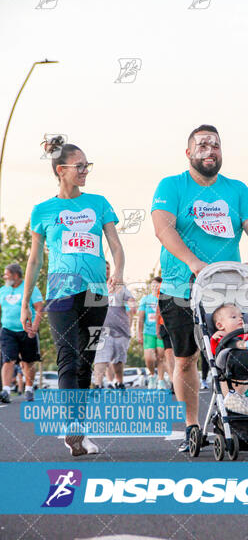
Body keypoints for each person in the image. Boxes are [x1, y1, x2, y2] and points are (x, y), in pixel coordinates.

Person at [152, 124, 248, 451]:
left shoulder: (237, 189)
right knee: (185, 360)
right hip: (181, 286)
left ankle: (237, 416)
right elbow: (163, 228)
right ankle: (192, 426)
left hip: (224, 290)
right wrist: (192, 262)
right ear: (189, 153)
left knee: (234, 351)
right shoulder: (172, 186)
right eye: (202, 145)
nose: (209, 150)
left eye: (215, 145)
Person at [21, 137, 124, 456]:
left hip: (96, 295)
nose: (85, 171)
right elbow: (35, 259)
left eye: (86, 166)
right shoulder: (43, 210)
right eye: (79, 167)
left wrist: (118, 271)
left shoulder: (99, 202)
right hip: (60, 293)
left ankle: (80, 427)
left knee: (86, 360)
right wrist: (26, 301)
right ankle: (72, 427)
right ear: (60, 170)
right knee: (68, 355)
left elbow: (116, 246)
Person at [0, 263, 44, 403]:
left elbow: (39, 309)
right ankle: (6, 391)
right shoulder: (3, 291)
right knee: (8, 360)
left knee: (28, 362)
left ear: (16, 275)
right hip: (7, 330)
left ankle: (29, 389)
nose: (5, 277)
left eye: (7, 274)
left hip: (27, 330)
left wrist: (35, 327)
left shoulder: (30, 288)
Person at [93, 261, 136, 389]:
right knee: (100, 358)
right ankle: (97, 384)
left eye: (107, 268)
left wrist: (132, 304)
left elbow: (130, 298)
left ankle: (119, 382)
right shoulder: (94, 287)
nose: (105, 270)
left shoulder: (118, 286)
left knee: (118, 360)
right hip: (100, 329)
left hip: (120, 329)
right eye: (103, 268)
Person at [138, 276, 167, 389]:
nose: (155, 286)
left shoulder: (163, 299)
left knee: (161, 356)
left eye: (158, 284)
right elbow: (140, 318)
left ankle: (160, 380)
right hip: (148, 332)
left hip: (160, 331)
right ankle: (152, 375)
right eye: (153, 284)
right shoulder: (145, 299)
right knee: (149, 358)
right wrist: (139, 333)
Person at [155, 281, 175, 389]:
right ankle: (173, 382)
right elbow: (158, 309)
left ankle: (182, 379)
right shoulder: (163, 287)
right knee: (169, 354)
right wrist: (157, 327)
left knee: (181, 355)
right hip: (165, 324)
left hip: (181, 324)